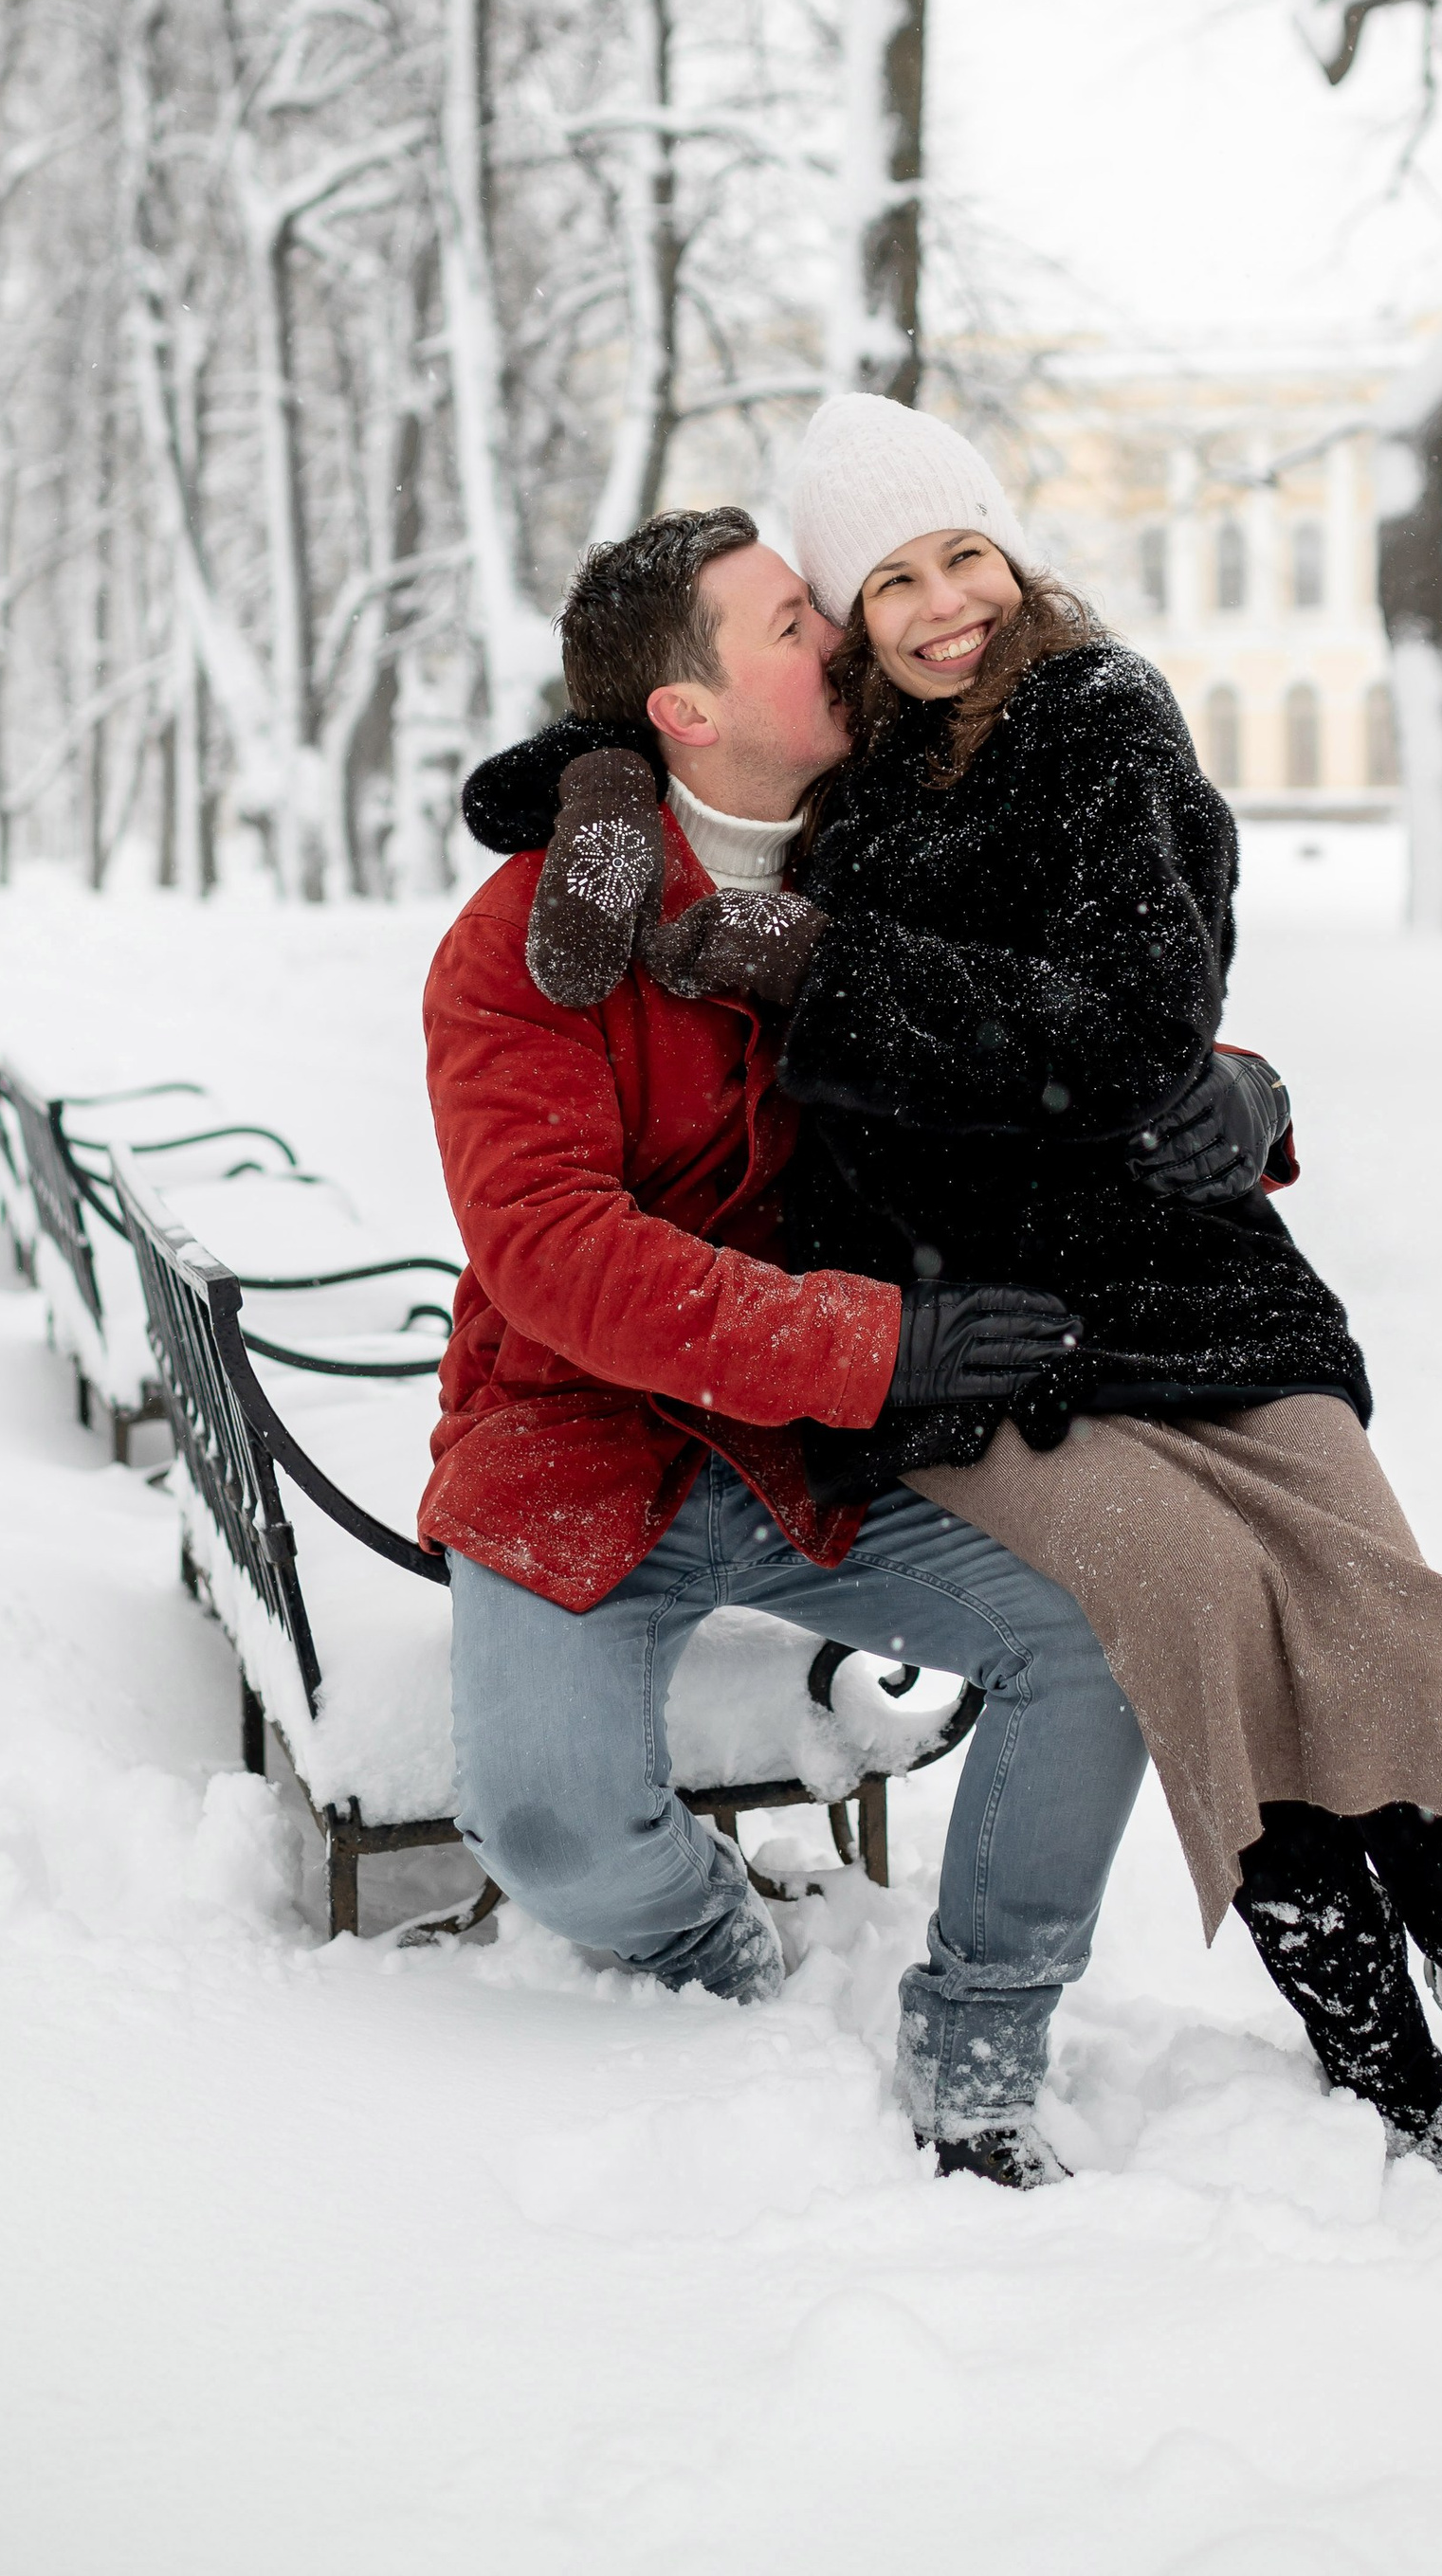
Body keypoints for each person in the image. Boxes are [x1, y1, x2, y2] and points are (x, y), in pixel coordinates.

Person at [530, 408, 1442, 2225]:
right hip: (996, 1337)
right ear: (841, 621)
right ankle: (1389, 2087)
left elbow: (1123, 1024)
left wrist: (1223, 1086)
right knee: (1202, 1616)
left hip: (1188, 1289)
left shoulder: (1098, 721)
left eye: (964, 554)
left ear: (1011, 550)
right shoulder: (843, 788)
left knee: (1407, 1636)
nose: (944, 605)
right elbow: (636, 726)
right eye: (884, 582)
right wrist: (577, 792)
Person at [421, 506, 1148, 2191]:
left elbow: (1062, 1018)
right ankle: (732, 1960)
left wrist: (1222, 1095)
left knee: (1105, 1628)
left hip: (811, 1457)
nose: (835, 631)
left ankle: (981, 2046)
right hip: (582, 1443)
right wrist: (874, 1342)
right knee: (551, 1836)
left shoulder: (899, 849)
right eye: (781, 622)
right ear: (683, 708)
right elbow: (553, 1254)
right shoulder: (534, 934)